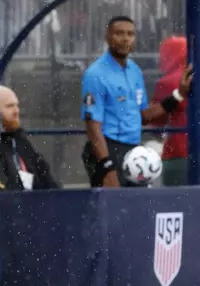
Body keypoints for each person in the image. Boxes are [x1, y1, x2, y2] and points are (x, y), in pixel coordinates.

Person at [81, 16, 193, 188]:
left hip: (133, 150)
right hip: (108, 149)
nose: (125, 38)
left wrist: (179, 94)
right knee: (112, 208)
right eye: (119, 33)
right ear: (108, 36)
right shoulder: (95, 74)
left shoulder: (135, 71)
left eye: (130, 34)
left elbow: (143, 116)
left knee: (136, 206)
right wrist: (107, 166)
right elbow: (93, 127)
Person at [0, 85, 60, 191]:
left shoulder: (21, 142)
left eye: (17, 105)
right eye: (9, 106)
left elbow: (47, 179)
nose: (16, 111)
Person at [149, 36, 189, 186]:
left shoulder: (167, 82)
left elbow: (156, 121)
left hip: (178, 154)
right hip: (193, 150)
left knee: (178, 201)